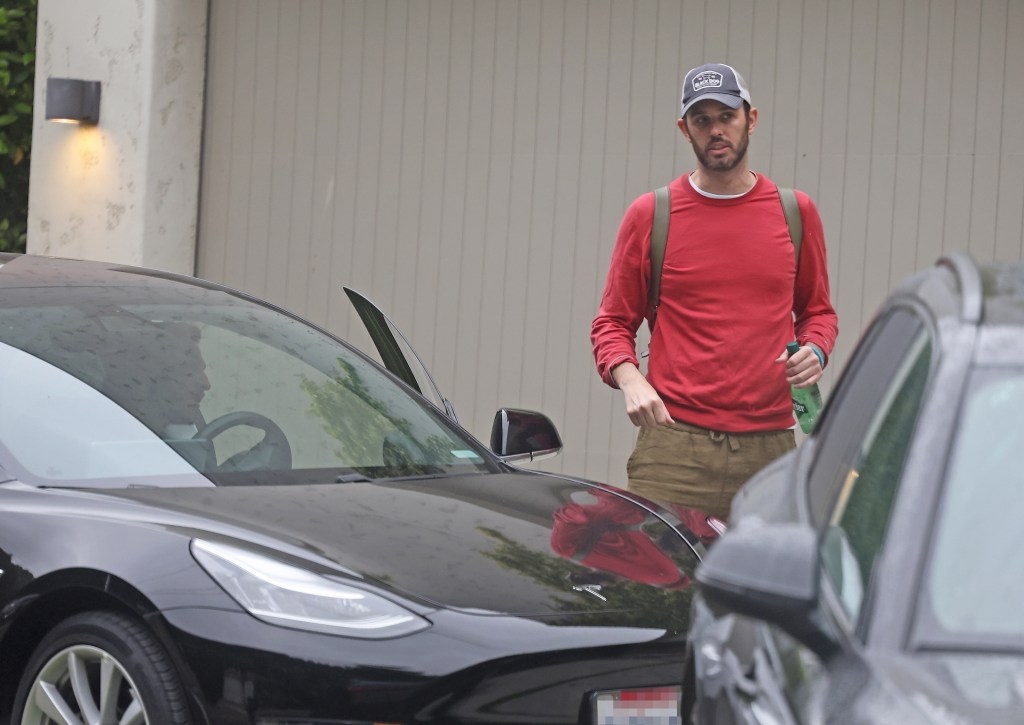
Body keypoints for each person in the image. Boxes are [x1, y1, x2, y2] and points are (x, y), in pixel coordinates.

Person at [591, 62, 838, 520]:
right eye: (702, 120)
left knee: (765, 588)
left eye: (726, 116)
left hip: (771, 451)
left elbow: (818, 312)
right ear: (685, 130)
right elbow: (611, 323)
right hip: (672, 449)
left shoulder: (794, 212)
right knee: (655, 588)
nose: (716, 130)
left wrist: (816, 351)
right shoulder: (651, 214)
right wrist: (631, 379)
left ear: (752, 119)